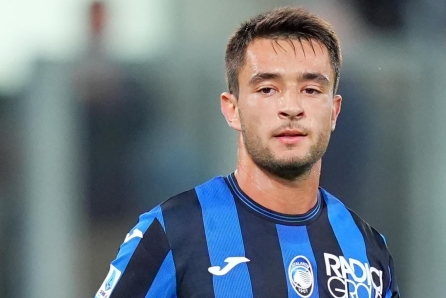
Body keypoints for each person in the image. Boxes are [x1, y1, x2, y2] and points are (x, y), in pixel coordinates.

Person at [95, 7, 400, 298]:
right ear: (233, 109)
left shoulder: (367, 249)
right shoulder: (172, 233)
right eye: (268, 89)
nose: (291, 108)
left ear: (334, 112)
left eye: (310, 90)